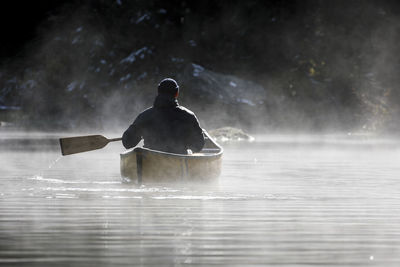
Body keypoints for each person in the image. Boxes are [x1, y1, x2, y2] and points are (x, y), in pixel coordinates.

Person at [122, 78, 204, 154]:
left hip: (151, 162)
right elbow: (198, 145)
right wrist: (186, 139)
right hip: (178, 163)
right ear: (176, 93)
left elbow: (127, 142)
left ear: (158, 92)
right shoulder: (188, 116)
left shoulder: (145, 116)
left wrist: (139, 134)